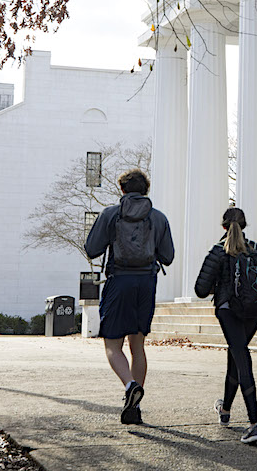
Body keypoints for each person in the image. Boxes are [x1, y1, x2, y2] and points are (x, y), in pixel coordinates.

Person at [84, 168, 175, 426]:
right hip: (146, 284)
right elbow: (168, 256)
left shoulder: (111, 215)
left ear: (122, 190)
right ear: (145, 189)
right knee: (138, 346)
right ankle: (134, 408)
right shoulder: (158, 218)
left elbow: (92, 249)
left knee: (113, 345)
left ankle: (129, 385)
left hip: (119, 282)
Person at [194, 207, 257, 444]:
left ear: (223, 227)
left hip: (229, 310)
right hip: (254, 312)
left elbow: (200, 289)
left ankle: (254, 423)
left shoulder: (218, 251)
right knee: (236, 355)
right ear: (244, 225)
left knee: (241, 356)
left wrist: (220, 284)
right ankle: (225, 410)